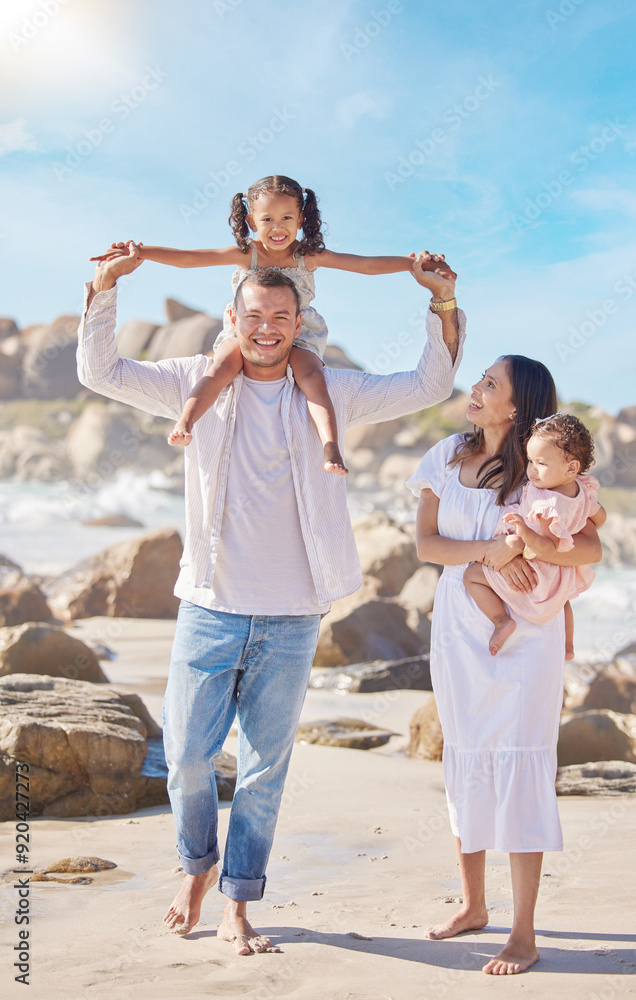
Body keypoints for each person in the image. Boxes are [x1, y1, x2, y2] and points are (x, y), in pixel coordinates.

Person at [77, 241, 465, 956]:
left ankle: (239, 900)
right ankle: (198, 866)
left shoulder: (333, 392)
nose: (266, 327)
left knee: (261, 771)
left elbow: (427, 386)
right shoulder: (194, 379)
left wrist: (440, 302)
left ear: (297, 319)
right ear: (233, 316)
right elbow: (100, 370)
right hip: (209, 606)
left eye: (280, 316)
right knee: (189, 759)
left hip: (292, 616)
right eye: (254, 315)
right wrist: (104, 289)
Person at [407, 356, 602, 976]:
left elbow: (592, 542)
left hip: (529, 638)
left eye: (491, 383)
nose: (477, 387)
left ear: (516, 406)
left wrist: (543, 549)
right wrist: (487, 555)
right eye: (481, 379)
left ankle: (524, 932)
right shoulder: (445, 455)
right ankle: (472, 905)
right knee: (465, 753)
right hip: (462, 625)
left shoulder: (544, 468)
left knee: (520, 762)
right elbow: (426, 545)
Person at [91, 174, 455, 474]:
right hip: (245, 333)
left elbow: (364, 264)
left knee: (312, 376)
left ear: (301, 219)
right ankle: (186, 422)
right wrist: (142, 253)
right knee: (221, 365)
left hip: (300, 333)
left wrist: (412, 265)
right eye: (266, 220)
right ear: (251, 222)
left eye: (286, 219)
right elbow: (190, 258)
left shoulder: (307, 255)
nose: (277, 228)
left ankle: (330, 448)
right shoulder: (246, 253)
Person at [464, 412, 606, 657]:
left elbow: (548, 548)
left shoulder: (546, 503)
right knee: (564, 600)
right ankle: (568, 646)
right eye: (531, 461)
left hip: (538, 571)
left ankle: (501, 621)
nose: (532, 470)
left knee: (472, 575)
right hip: (562, 574)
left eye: (541, 463)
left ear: (571, 467)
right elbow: (599, 516)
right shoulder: (581, 489)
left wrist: (523, 535)